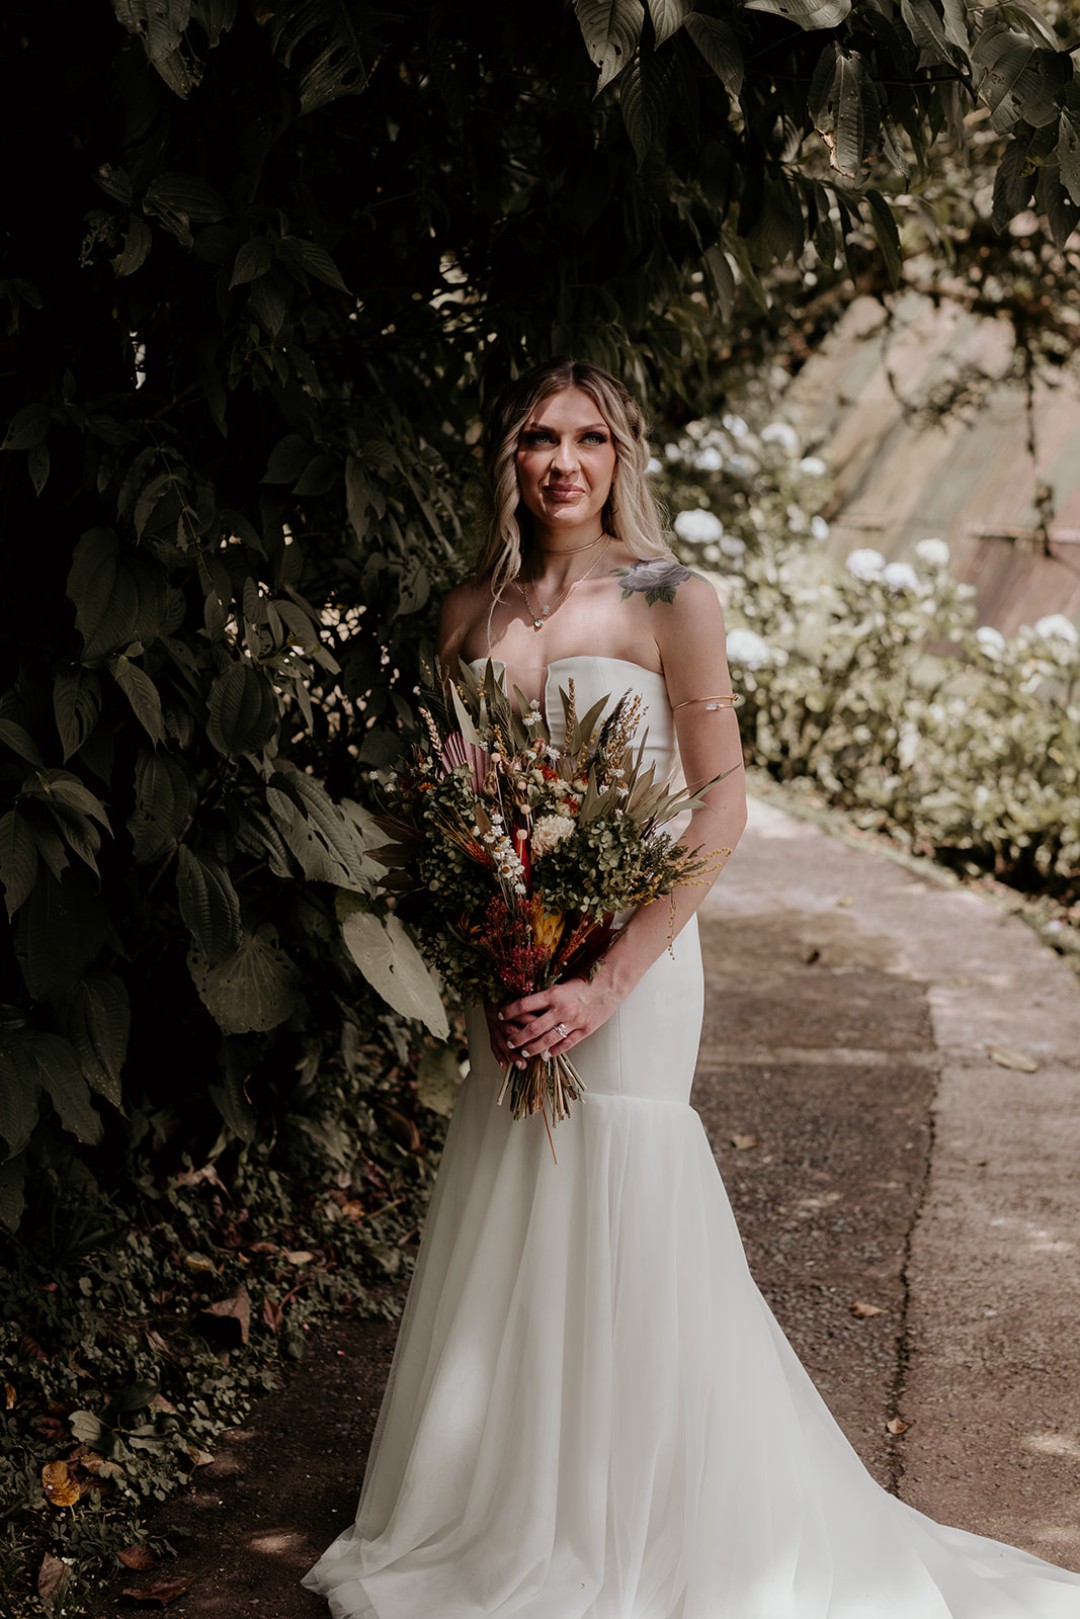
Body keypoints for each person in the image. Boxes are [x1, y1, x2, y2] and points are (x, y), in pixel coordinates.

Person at [304, 360, 1080, 1618]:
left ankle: (642, 1524)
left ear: (623, 455)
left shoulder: (672, 594)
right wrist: (489, 942)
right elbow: (442, 803)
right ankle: (511, 1507)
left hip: (633, 962)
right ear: (507, 455)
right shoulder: (467, 613)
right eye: (541, 437)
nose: (565, 461)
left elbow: (720, 802)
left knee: (625, 1204)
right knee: (517, 1209)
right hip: (514, 960)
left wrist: (607, 977)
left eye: (590, 438)